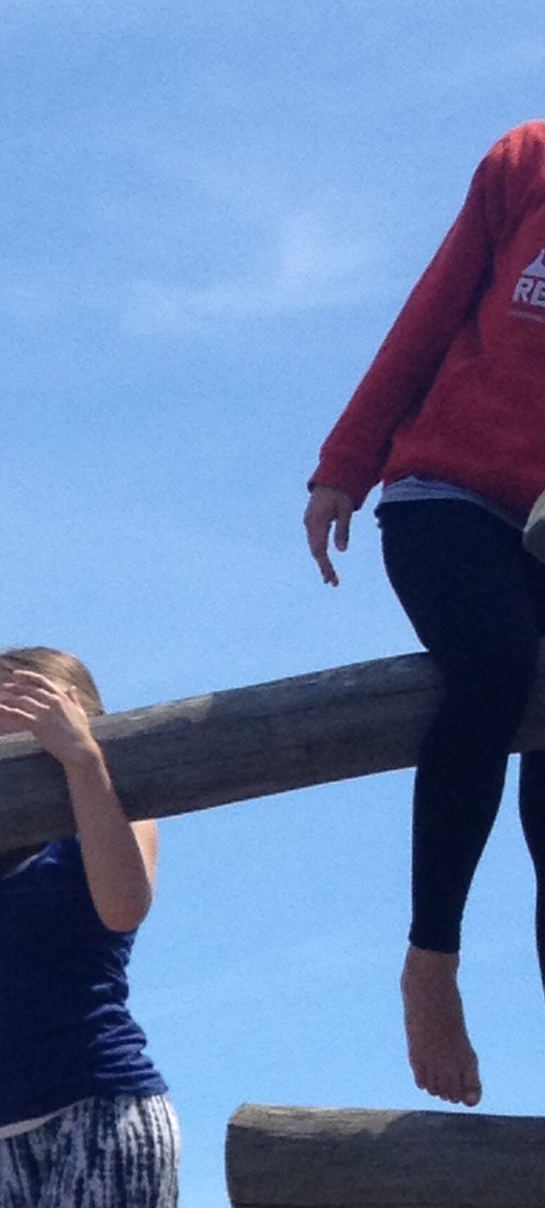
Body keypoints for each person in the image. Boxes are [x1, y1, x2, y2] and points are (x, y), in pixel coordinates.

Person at [305, 121, 545, 1107]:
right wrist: (343, 464)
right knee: (494, 669)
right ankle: (430, 958)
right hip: (444, 493)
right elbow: (428, 311)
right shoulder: (524, 162)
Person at [0, 649, 176, 1208]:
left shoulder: (117, 807)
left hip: (100, 1110)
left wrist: (83, 759)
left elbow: (123, 908)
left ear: (46, 699)